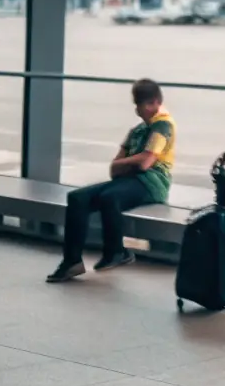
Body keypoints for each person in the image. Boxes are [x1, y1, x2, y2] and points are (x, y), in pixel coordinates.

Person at [47, 78, 176, 281]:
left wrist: (126, 163)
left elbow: (145, 162)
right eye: (136, 105)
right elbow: (115, 167)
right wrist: (127, 163)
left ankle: (117, 252)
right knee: (77, 198)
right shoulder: (136, 131)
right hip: (128, 181)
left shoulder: (163, 127)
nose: (137, 110)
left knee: (110, 197)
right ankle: (72, 261)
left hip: (152, 184)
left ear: (154, 103)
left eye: (140, 105)